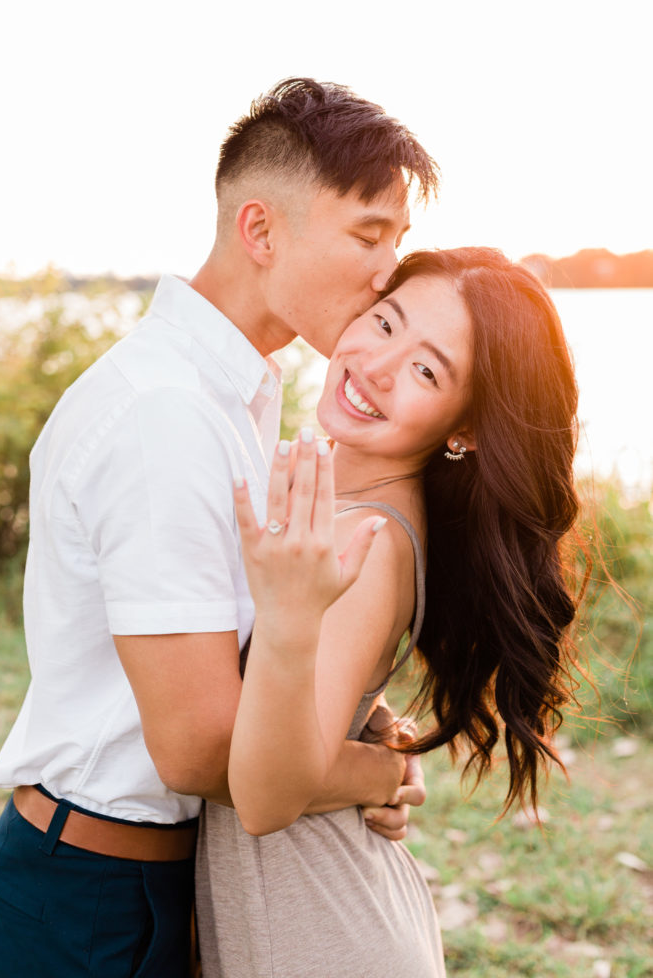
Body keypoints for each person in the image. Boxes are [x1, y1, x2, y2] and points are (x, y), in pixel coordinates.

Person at [0, 79, 439, 977]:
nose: (389, 273)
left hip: (147, 876)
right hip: (92, 893)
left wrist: (363, 717)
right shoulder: (165, 415)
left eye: (399, 243)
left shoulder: (237, 396)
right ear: (260, 231)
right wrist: (372, 775)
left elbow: (236, 637)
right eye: (367, 236)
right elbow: (194, 748)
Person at [196, 247, 581, 977]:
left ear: (463, 429)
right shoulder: (333, 493)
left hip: (320, 937)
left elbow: (265, 798)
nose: (376, 364)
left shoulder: (367, 541)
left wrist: (286, 620)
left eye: (426, 370)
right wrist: (377, 762)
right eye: (383, 323)